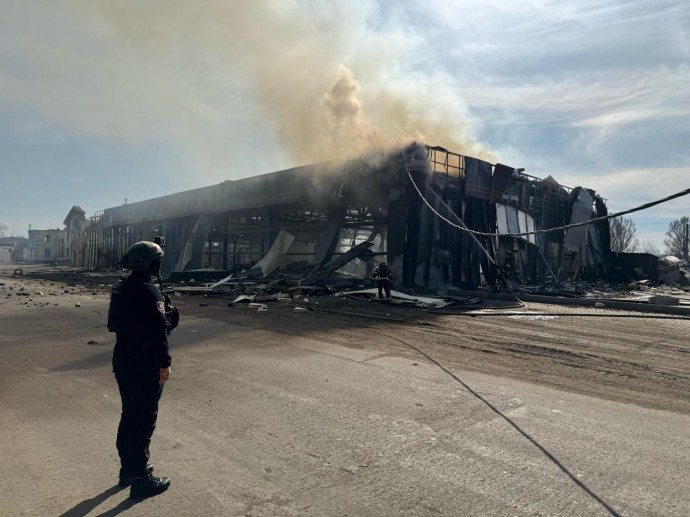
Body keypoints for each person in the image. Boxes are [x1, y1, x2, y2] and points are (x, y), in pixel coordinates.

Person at [107, 241, 174, 498]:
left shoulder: (121, 288)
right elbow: (159, 331)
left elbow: (114, 324)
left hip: (123, 358)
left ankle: (128, 469)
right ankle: (141, 479)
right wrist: (164, 363)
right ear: (150, 264)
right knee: (144, 419)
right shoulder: (149, 291)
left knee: (129, 414)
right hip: (144, 361)